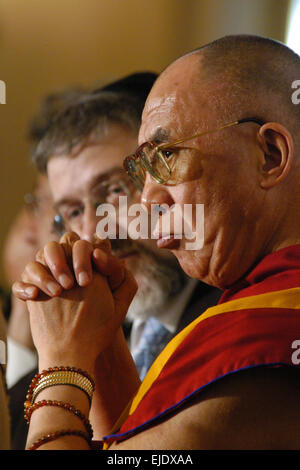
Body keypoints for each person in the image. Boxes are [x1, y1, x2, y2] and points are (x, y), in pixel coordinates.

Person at [14, 34, 300, 450]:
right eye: (141, 169)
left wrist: (62, 362)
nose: (147, 199)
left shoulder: (270, 340)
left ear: (270, 155)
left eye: (165, 156)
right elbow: (135, 446)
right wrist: (103, 347)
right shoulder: (249, 310)